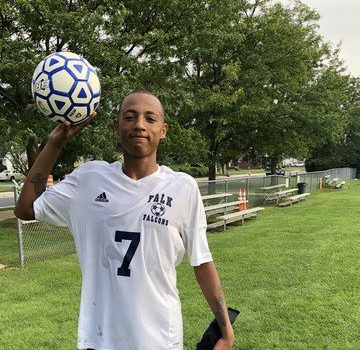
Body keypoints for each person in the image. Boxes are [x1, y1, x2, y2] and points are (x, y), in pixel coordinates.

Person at [15, 90, 234, 350]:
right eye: (130, 117)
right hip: (99, 339)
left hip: (160, 338)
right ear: (116, 127)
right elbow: (26, 208)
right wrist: (55, 143)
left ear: (163, 130)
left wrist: (225, 328)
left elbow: (202, 262)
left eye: (149, 119)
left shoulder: (182, 188)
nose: (139, 124)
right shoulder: (88, 180)